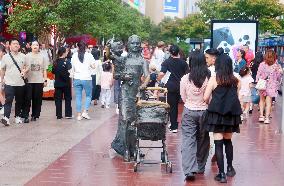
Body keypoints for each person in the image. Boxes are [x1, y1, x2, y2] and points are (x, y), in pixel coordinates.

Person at [204, 54, 242, 183]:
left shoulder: (214, 79)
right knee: (228, 141)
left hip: (217, 114)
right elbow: (235, 97)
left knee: (218, 144)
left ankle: (221, 174)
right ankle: (230, 168)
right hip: (231, 115)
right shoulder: (236, 81)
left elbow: (205, 97)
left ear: (218, 65)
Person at [111, 35, 149, 161]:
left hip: (137, 94)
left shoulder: (143, 61)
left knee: (136, 123)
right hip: (125, 94)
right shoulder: (123, 59)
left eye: (138, 43)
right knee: (126, 121)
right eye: (133, 43)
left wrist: (143, 85)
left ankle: (135, 148)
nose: (136, 46)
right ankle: (126, 149)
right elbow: (116, 75)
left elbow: (147, 76)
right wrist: (123, 76)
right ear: (129, 45)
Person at [180, 51, 211, 181]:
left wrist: (191, 102)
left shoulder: (185, 78)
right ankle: (200, 166)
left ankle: (189, 170)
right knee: (203, 140)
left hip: (189, 111)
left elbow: (183, 97)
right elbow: (210, 97)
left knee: (188, 140)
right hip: (204, 111)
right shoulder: (209, 77)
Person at [158, 45, 188, 133]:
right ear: (178, 52)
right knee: (182, 105)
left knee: (172, 106)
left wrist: (158, 79)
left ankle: (174, 126)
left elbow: (162, 73)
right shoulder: (183, 63)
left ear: (170, 52)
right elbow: (187, 74)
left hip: (170, 86)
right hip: (181, 86)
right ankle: (180, 124)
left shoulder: (166, 62)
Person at [0, 38, 29, 126]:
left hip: (20, 83)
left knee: (19, 101)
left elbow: (28, 66)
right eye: (14, 44)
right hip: (9, 82)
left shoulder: (24, 56)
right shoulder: (5, 57)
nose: (16, 45)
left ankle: (17, 117)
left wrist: (25, 71)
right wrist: (2, 80)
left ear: (19, 46)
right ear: (10, 46)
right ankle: (6, 118)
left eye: (17, 44)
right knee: (8, 100)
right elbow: (2, 69)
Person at [22, 41, 48, 123]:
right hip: (29, 81)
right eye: (34, 45)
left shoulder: (43, 57)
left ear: (39, 47)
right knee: (27, 98)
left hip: (39, 81)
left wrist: (45, 79)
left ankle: (34, 115)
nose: (35, 46)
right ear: (31, 46)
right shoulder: (26, 56)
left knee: (37, 99)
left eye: (37, 45)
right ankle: (25, 115)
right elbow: (23, 67)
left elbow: (44, 70)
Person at [71, 41, 96, 121]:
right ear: (86, 47)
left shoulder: (74, 55)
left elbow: (72, 68)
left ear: (77, 47)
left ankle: (78, 115)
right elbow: (93, 66)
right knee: (89, 95)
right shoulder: (89, 55)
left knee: (78, 96)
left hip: (77, 78)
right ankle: (85, 111)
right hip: (87, 78)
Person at [256, 49, 282, 124]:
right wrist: (280, 72)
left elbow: (258, 75)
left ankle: (261, 116)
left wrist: (258, 82)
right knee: (269, 102)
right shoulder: (277, 65)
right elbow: (278, 77)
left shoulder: (262, 64)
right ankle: (267, 118)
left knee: (261, 100)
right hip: (272, 86)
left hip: (262, 84)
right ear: (274, 56)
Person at [52, 47, 72, 120]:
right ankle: (68, 114)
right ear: (63, 53)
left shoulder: (55, 61)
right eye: (66, 52)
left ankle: (59, 115)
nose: (67, 53)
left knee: (58, 99)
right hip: (66, 83)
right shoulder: (67, 61)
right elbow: (70, 71)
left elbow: (53, 71)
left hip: (57, 83)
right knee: (67, 99)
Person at [0, 45, 6, 114]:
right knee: (2, 93)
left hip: (3, 79)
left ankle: (4, 107)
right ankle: (4, 107)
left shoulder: (4, 60)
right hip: (2, 79)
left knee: (1, 93)